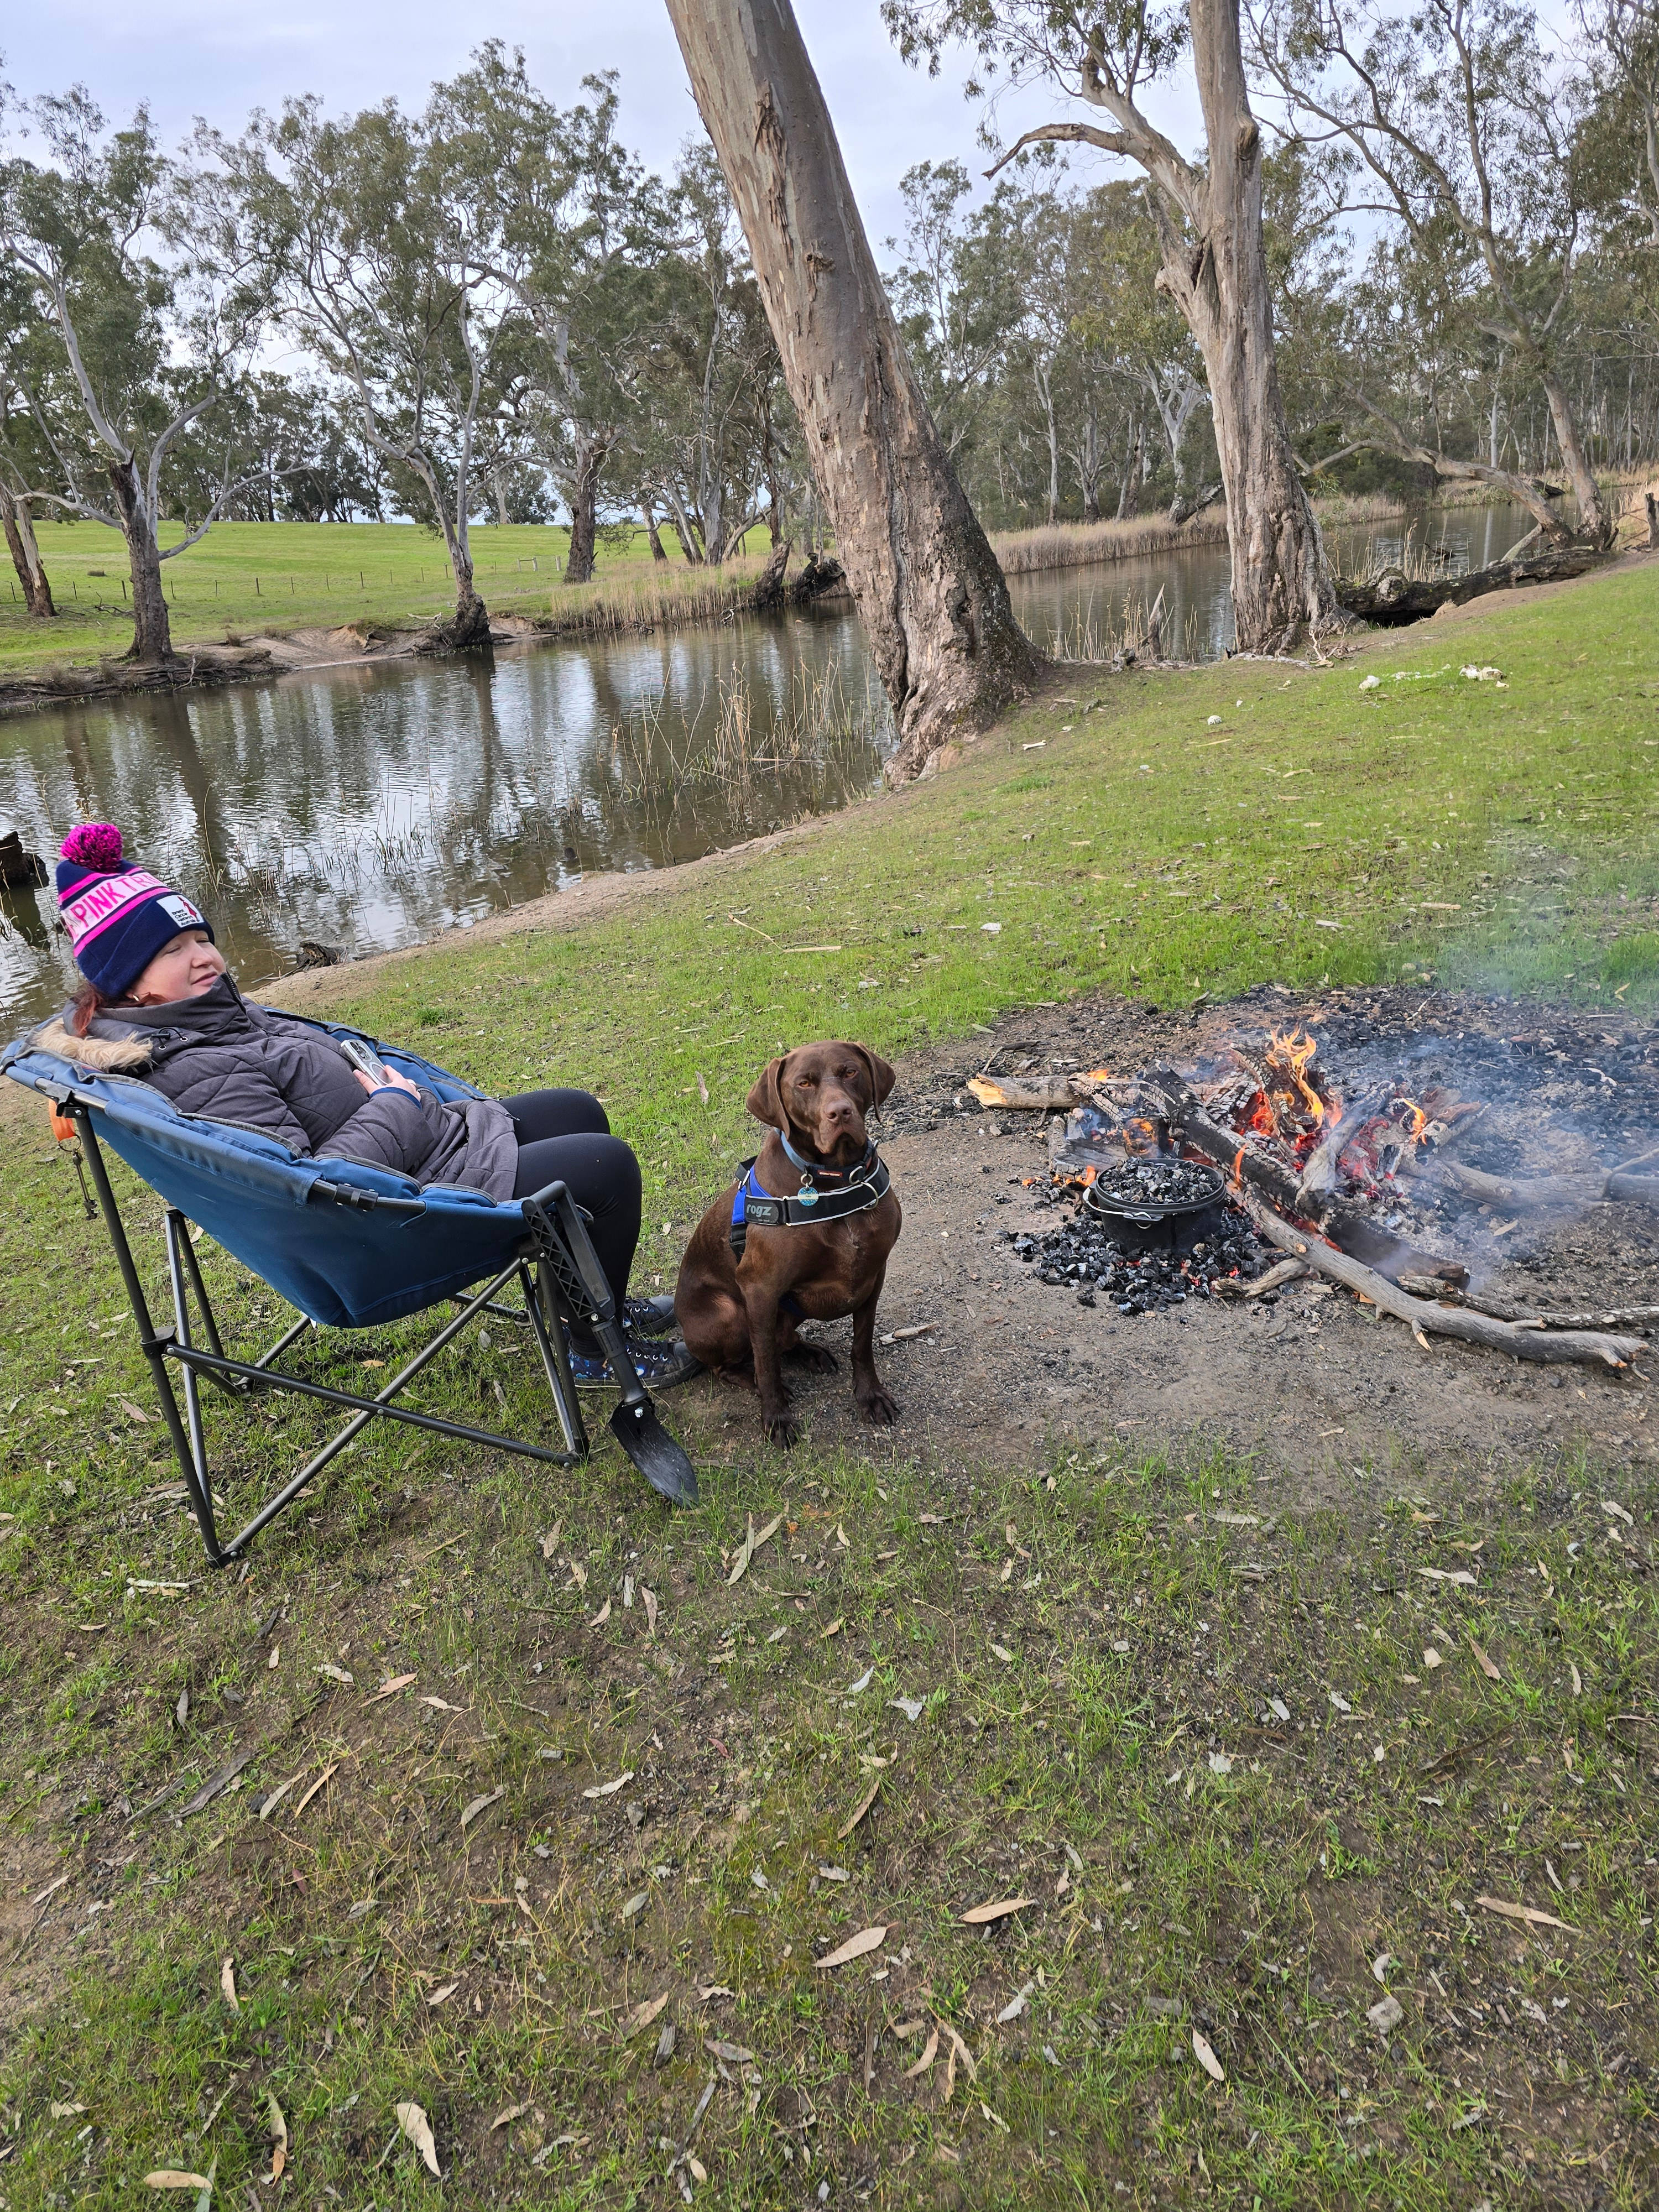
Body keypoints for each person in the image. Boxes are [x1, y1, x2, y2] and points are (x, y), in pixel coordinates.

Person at [36, 822, 692, 1387]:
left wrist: (379, 1092)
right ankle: (594, 1352)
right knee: (605, 1167)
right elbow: (313, 1183)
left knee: (578, 1110)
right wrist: (395, 1104)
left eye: (200, 938)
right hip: (391, 1214)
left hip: (419, 1151)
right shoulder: (195, 1065)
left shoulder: (219, 1016)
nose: (204, 956)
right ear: (125, 981)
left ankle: (592, 1306)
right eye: (171, 950)